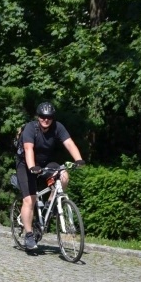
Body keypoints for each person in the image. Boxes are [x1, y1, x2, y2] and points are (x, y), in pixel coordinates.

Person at [16, 102, 85, 252]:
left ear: (53, 118)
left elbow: (69, 143)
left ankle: (50, 205)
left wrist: (78, 159)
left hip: (45, 162)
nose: (45, 120)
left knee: (64, 176)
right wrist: (32, 167)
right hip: (26, 163)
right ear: (38, 117)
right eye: (42, 116)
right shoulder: (30, 128)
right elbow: (28, 148)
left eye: (49, 117)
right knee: (30, 199)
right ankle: (28, 235)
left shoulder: (58, 127)